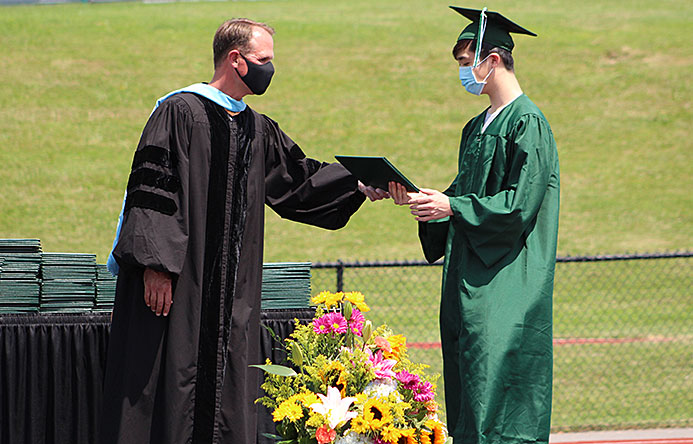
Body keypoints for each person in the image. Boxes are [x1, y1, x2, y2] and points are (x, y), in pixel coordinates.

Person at [100, 18, 386, 444]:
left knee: (226, 394)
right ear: (236, 60)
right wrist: (155, 268)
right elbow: (153, 194)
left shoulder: (257, 128)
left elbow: (298, 183)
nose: (271, 69)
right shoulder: (179, 113)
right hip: (180, 291)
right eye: (264, 60)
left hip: (231, 297)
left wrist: (358, 182)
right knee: (165, 386)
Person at [390, 7, 560, 444]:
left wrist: (454, 207)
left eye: (468, 63)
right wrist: (422, 199)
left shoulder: (528, 124)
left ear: (495, 59)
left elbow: (519, 205)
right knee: (467, 392)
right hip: (467, 280)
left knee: (497, 392)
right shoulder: (476, 128)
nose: (464, 73)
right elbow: (463, 192)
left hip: (505, 281)